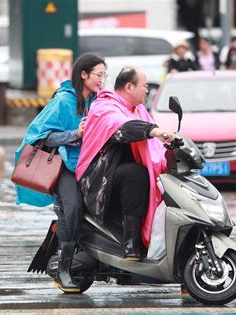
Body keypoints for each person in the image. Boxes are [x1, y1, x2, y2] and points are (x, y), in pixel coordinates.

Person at [14, 53, 106, 292]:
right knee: (72, 207)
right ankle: (63, 268)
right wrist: (76, 133)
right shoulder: (64, 101)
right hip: (64, 166)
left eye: (105, 76)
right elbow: (41, 136)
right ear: (83, 74)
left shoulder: (99, 101)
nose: (102, 80)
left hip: (89, 165)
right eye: (98, 75)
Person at [75, 67, 178, 261]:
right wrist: (155, 131)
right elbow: (121, 127)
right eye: (145, 86)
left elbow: (155, 146)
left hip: (117, 174)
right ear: (129, 87)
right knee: (136, 174)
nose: (147, 90)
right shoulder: (105, 107)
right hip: (97, 178)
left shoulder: (138, 109)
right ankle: (130, 242)